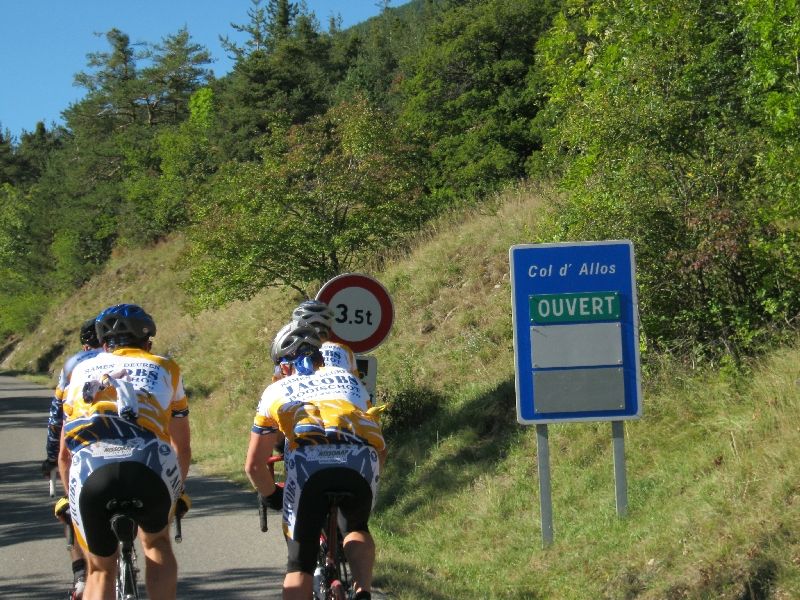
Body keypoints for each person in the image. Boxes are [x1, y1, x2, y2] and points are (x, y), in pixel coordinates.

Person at [57, 303, 191, 600]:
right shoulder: (165, 366)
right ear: (147, 343)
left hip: (91, 470)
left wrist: (70, 499)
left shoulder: (78, 371)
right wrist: (176, 493)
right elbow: (181, 446)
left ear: (103, 346)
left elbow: (64, 456)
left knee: (101, 569)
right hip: (147, 464)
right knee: (156, 544)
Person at [245, 324, 387, 600]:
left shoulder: (275, 391)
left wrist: (273, 495)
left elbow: (253, 465)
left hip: (310, 467)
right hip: (360, 461)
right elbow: (375, 438)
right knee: (357, 527)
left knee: (299, 564)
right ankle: (363, 591)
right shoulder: (350, 380)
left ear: (285, 366)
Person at [42, 317, 103, 599]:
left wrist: (50, 456)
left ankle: (81, 575)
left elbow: (58, 418)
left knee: (70, 507)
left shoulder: (74, 364)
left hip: (82, 449)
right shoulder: (124, 360)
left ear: (84, 344)